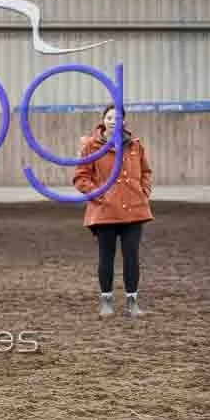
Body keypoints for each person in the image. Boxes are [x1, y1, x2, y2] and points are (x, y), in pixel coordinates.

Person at [72, 104, 154, 318]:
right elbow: (81, 176)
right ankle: (106, 301)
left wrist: (143, 192)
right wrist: (99, 195)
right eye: (109, 117)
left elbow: (146, 171)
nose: (113, 121)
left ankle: (132, 302)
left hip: (134, 210)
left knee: (132, 257)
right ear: (103, 120)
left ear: (123, 122)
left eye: (117, 118)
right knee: (106, 257)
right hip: (105, 212)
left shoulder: (135, 145)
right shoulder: (91, 146)